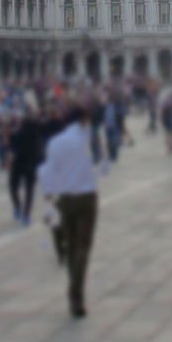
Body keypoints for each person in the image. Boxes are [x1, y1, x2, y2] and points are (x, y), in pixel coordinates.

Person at [38, 108, 98, 319]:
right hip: (86, 198)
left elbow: (47, 171)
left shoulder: (55, 142)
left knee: (72, 247)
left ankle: (74, 288)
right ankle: (75, 293)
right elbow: (102, 163)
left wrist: (48, 202)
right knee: (83, 248)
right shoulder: (85, 136)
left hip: (64, 199)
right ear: (82, 120)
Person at [7, 112, 43, 225]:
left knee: (13, 186)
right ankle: (26, 215)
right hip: (32, 164)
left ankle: (17, 207)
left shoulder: (17, 135)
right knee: (29, 190)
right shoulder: (36, 137)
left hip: (18, 163)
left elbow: (10, 147)